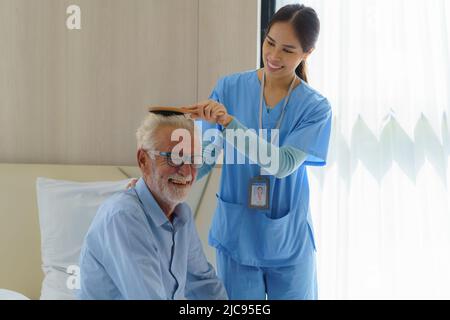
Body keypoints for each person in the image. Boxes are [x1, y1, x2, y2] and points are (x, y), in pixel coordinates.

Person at [182, 4, 332, 300]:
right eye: (270, 43)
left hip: (287, 242)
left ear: (307, 53)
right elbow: (207, 157)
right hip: (237, 236)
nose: (274, 56)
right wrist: (160, 181)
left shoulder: (315, 107)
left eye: (288, 50)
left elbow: (283, 164)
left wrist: (229, 123)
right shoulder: (228, 88)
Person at [78, 113, 227, 300]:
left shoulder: (182, 215)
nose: (187, 171)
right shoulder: (124, 217)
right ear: (143, 160)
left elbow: (204, 286)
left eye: (194, 159)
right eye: (174, 157)